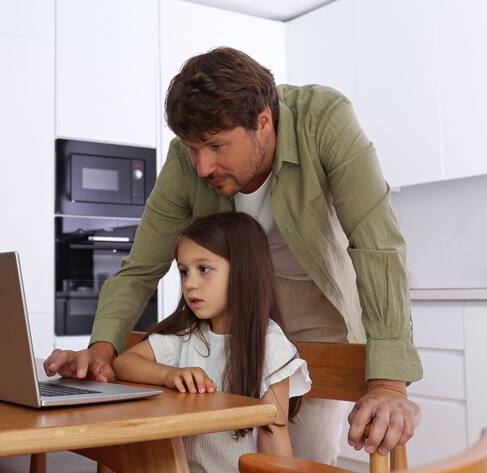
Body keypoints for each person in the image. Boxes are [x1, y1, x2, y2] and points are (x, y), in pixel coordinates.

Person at [44, 46, 423, 464]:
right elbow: (139, 269)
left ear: (263, 122)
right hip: (230, 323)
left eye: (216, 146)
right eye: (192, 148)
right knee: (217, 451)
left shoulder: (324, 119)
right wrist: (100, 352)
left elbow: (377, 246)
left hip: (320, 314)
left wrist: (389, 384)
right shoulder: (186, 163)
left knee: (302, 457)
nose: (202, 166)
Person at [112, 212, 311, 472]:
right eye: (184, 272)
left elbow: (273, 436)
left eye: (203, 269)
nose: (190, 284)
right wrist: (169, 374)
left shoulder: (270, 345)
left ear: (243, 271)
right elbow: (123, 363)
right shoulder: (188, 335)